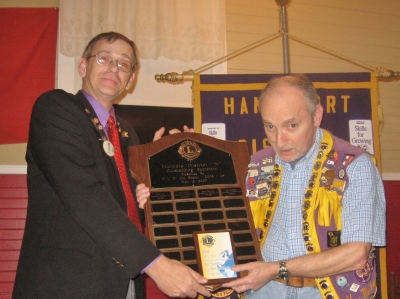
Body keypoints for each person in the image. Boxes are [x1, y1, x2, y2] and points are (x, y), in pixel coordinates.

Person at [12, 31, 211, 299]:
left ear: (130, 80)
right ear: (83, 66)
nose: (113, 68)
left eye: (123, 64)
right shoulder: (56, 109)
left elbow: (133, 210)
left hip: (123, 281)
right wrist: (156, 265)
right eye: (104, 58)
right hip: (65, 283)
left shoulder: (127, 133)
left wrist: (164, 165)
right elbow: (83, 194)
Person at [220, 74, 386, 299]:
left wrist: (276, 268)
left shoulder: (356, 165)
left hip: (326, 291)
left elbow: (356, 254)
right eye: (270, 127)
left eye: (292, 125)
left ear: (316, 115)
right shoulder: (255, 163)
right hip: (263, 290)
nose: (279, 140)